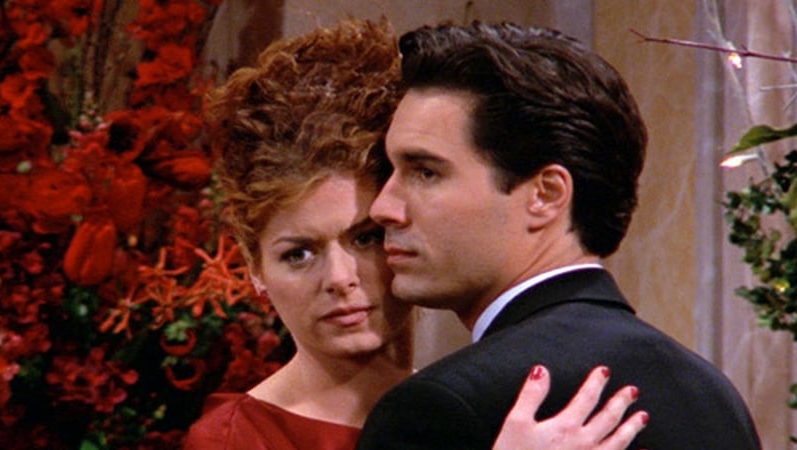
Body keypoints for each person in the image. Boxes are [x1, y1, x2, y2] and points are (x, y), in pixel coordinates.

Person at [183, 19, 647, 450]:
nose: (340, 279)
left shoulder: (484, 399)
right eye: (298, 254)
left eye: (365, 238)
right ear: (255, 267)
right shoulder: (232, 439)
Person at [358, 21, 762, 450]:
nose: (383, 208)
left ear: (546, 195)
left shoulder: (436, 410)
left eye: (425, 172)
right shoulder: (715, 396)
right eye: (391, 171)